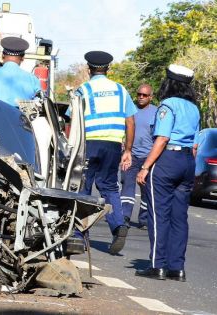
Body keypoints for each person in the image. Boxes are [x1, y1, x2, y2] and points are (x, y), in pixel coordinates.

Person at [134, 64, 200, 282]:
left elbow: (162, 138)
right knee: (179, 217)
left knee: (158, 214)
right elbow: (195, 145)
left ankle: (158, 265)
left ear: (169, 83)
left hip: (167, 161)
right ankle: (177, 268)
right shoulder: (194, 108)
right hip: (187, 162)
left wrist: (145, 167)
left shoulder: (167, 106)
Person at [75, 51, 138, 255]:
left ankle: (78, 236)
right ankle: (119, 225)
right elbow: (130, 121)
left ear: (89, 69)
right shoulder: (121, 90)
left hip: (89, 143)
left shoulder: (83, 89)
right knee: (109, 186)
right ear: (108, 69)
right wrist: (127, 149)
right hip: (112, 144)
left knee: (83, 188)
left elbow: (74, 120)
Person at [120, 84, 157, 230]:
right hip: (131, 156)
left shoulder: (156, 112)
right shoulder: (129, 110)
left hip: (148, 158)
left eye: (145, 95)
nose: (141, 97)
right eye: (139, 94)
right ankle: (124, 217)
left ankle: (144, 219)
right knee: (127, 186)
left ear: (151, 97)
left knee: (146, 190)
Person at [0, 37, 39, 107]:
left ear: (2, 56)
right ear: (23, 58)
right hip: (18, 117)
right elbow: (38, 104)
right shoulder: (33, 80)